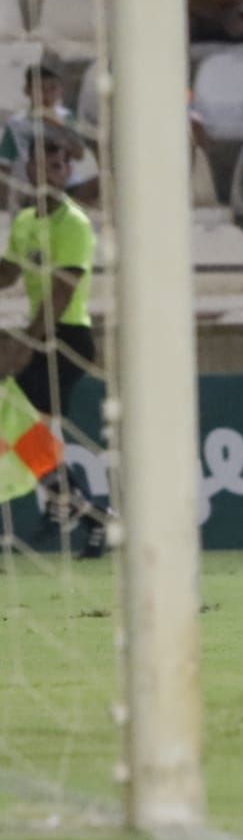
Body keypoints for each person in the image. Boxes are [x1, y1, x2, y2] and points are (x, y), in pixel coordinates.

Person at [0, 141, 106, 559]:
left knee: (25, 434)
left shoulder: (74, 224)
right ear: (29, 169)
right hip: (38, 336)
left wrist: (26, 345)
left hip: (65, 338)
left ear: (67, 172)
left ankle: (78, 509)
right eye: (43, 165)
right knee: (26, 436)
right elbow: (8, 273)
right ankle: (86, 513)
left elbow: (62, 292)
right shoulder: (25, 221)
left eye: (59, 166)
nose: (51, 173)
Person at [0, 64, 99, 208]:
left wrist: (61, 130)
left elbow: (79, 154)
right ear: (27, 91)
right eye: (40, 89)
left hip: (65, 187)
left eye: (53, 88)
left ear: (60, 91)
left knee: (100, 184)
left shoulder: (67, 118)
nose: (46, 95)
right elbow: (4, 165)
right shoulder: (17, 124)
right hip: (31, 190)